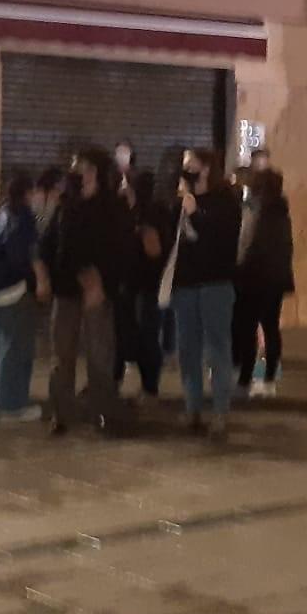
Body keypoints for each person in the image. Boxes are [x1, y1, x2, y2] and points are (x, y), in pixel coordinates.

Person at [43, 148, 129, 434]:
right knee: (62, 353)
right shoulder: (67, 204)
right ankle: (61, 412)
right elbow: (55, 245)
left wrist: (102, 282)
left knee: (100, 352)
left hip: (98, 291)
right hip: (68, 288)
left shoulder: (111, 206)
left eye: (84, 167)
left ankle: (101, 411)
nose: (78, 171)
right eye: (76, 166)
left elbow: (118, 249)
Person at [171, 148, 244, 438]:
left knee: (217, 348)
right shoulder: (181, 200)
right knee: (187, 348)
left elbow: (222, 240)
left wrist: (196, 213)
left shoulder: (225, 201)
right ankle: (192, 408)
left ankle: (220, 412)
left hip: (215, 283)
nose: (185, 169)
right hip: (186, 283)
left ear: (206, 169)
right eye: (184, 165)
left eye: (191, 165)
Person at [0, 172, 49, 423]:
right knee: (16, 348)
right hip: (14, 289)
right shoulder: (23, 218)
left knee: (0, 344)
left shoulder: (1, 214)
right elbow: (31, 254)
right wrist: (41, 281)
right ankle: (10, 405)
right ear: (28, 193)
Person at [234, 168, 295, 399]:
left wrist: (239, 269)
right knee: (271, 327)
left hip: (254, 278)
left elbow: (249, 245)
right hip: (275, 279)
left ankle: (245, 379)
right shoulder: (282, 212)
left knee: (248, 328)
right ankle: (269, 379)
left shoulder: (256, 210)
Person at [116, 170, 170, 398]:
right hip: (145, 283)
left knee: (140, 334)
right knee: (144, 333)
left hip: (138, 283)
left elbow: (154, 249)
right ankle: (149, 385)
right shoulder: (158, 211)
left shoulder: (143, 213)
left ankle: (145, 384)